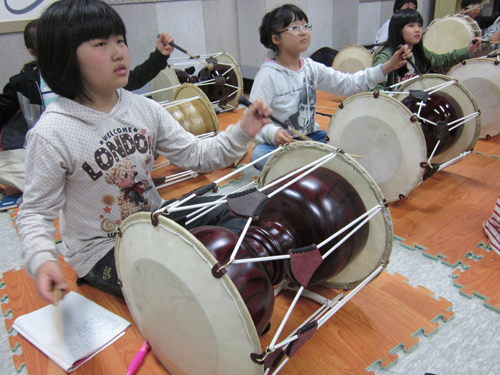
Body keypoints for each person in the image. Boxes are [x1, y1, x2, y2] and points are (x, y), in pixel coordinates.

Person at [17, 0, 273, 303]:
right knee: (166, 288)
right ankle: (207, 274)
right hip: (103, 250)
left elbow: (198, 155)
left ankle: (218, 269)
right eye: (101, 43)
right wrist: (43, 260)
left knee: (248, 205)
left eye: (120, 40)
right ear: (64, 58)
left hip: (155, 219)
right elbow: (34, 212)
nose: (118, 52)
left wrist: (242, 131)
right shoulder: (51, 133)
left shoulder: (144, 109)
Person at [0, 19, 175, 194]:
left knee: (139, 145)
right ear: (34, 53)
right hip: (54, 153)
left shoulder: (90, 75)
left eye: (119, 41)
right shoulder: (23, 82)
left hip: (99, 148)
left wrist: (159, 56)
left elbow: (134, 78)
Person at [249, 4, 410, 171]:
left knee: (344, 142)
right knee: (259, 155)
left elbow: (350, 84)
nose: (303, 31)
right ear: (276, 39)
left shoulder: (312, 68)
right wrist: (272, 133)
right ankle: (304, 166)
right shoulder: (267, 76)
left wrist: (388, 66)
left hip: (309, 138)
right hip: (276, 146)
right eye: (294, 28)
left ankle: (301, 166)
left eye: (305, 26)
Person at [371, 9, 482, 91]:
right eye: (411, 25)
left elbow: (442, 60)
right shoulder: (385, 57)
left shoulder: (419, 53)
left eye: (419, 25)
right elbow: (374, 92)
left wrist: (468, 50)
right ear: (398, 30)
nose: (418, 30)